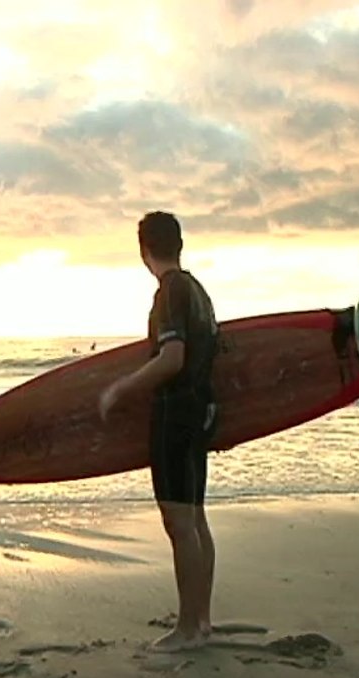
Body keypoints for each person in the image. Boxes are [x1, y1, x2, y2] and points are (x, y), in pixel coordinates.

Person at [99, 211, 220, 653]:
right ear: (180, 244)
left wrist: (120, 389)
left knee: (179, 522)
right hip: (201, 412)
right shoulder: (198, 291)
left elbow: (172, 358)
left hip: (175, 413)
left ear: (143, 250)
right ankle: (201, 619)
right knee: (195, 518)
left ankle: (188, 629)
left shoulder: (169, 293)